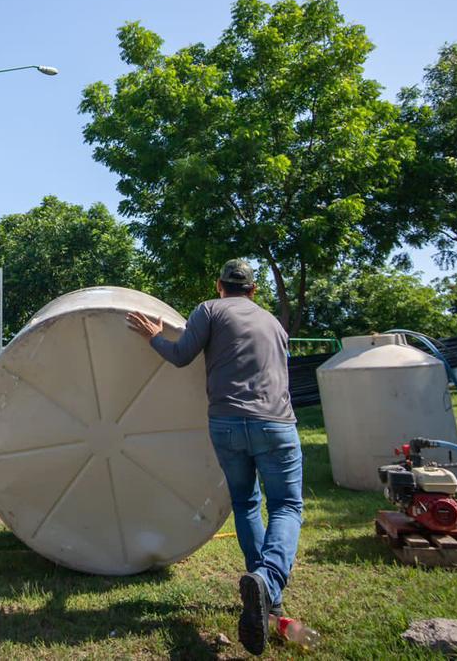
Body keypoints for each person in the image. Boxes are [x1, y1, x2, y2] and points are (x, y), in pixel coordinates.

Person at [126, 259, 301, 656]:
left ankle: (262, 592)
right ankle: (269, 583)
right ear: (254, 291)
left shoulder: (209, 310)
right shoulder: (275, 324)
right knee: (287, 505)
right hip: (275, 424)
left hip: (225, 423)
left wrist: (154, 336)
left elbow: (181, 356)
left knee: (245, 503)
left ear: (220, 285)